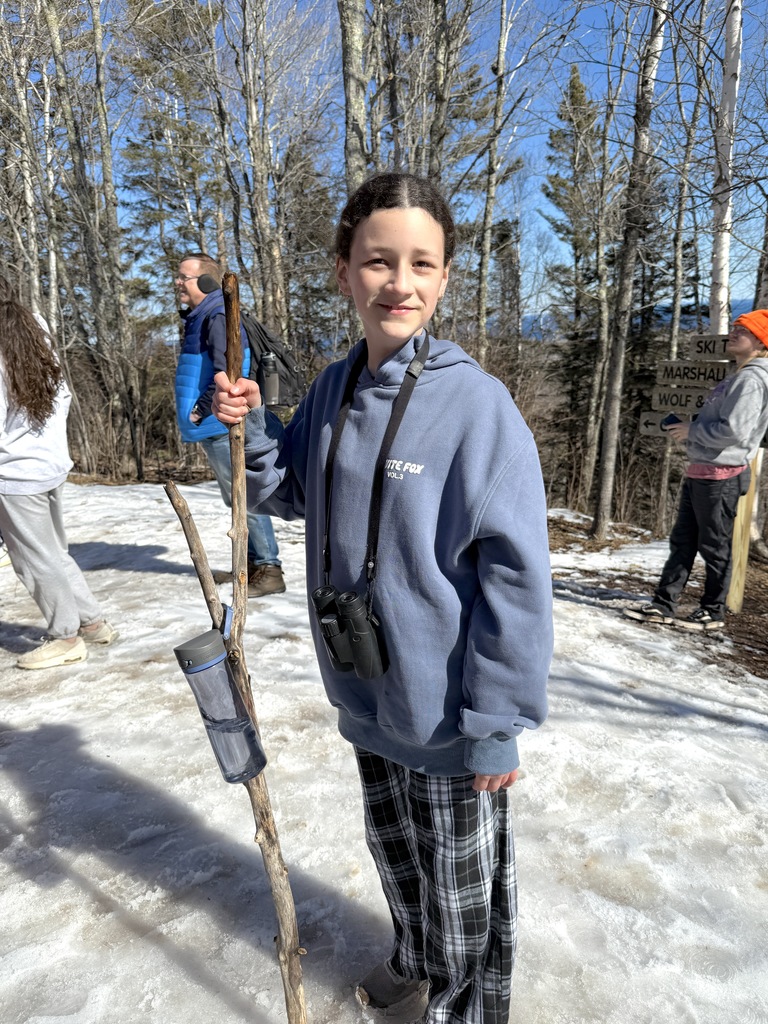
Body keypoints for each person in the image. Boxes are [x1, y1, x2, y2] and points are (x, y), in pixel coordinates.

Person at [213, 173, 553, 1024]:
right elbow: (286, 490)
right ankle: (414, 962)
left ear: (442, 279)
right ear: (342, 271)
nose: (399, 283)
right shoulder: (330, 388)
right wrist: (252, 426)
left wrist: (498, 721)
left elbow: (516, 574)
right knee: (399, 858)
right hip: (366, 693)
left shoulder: (478, 408)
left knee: (466, 896)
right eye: (378, 261)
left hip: (449, 713)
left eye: (422, 264)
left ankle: (464, 1005)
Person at [0, 275, 118, 670]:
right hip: (47, 462)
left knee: (33, 560)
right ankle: (92, 624)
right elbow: (61, 394)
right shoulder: (33, 326)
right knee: (53, 553)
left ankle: (65, 637)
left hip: (15, 473)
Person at [625, 309, 768, 631]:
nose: (733, 333)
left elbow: (735, 431)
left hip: (721, 477)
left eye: (742, 331)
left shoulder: (751, 380)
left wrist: (692, 431)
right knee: (683, 543)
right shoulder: (739, 375)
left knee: (715, 547)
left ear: (760, 342)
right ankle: (663, 605)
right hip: (702, 472)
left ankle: (713, 611)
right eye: (733, 327)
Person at [173, 252, 285, 597]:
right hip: (212, 425)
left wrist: (200, 409)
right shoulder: (200, 317)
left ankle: (269, 569)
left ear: (206, 281)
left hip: (219, 423)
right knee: (237, 500)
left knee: (246, 498)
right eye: (177, 277)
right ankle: (251, 566)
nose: (177, 283)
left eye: (184, 278)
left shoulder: (218, 315)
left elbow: (232, 369)